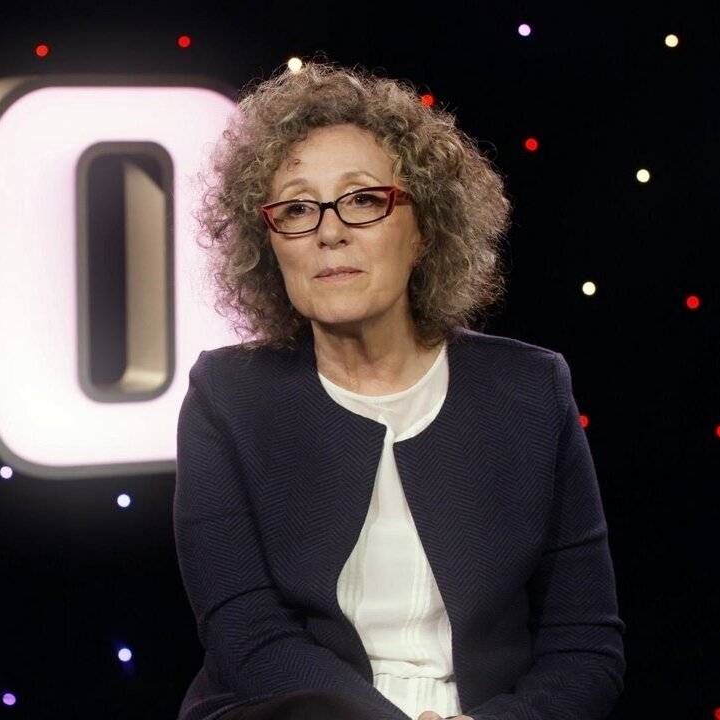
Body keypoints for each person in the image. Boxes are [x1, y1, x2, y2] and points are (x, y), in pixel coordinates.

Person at [172, 60, 625, 720]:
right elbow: (248, 637)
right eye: (296, 208)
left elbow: (584, 648)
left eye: (363, 200)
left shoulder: (530, 389)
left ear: (425, 228)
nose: (329, 231)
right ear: (268, 243)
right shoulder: (227, 396)